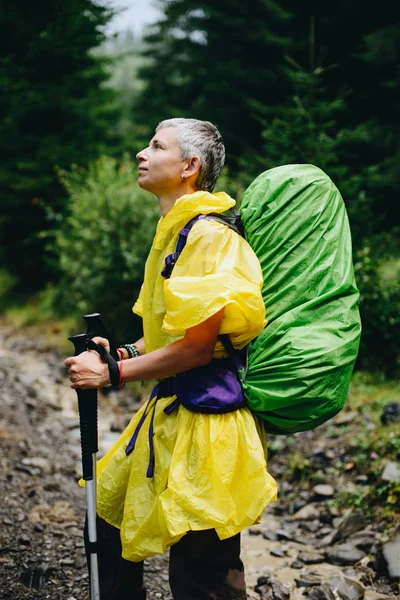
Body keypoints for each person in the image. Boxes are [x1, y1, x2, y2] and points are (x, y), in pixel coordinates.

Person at [65, 118, 277, 600]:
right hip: (172, 412)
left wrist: (111, 373)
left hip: (208, 425)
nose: (141, 153)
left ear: (189, 166)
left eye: (156, 145)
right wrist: (124, 351)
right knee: (109, 515)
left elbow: (198, 347)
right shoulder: (178, 231)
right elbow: (172, 332)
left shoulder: (209, 237)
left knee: (203, 569)